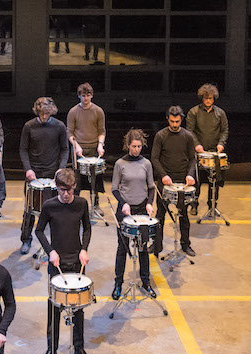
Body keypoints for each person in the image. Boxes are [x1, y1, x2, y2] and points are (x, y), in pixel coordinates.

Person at [35, 168, 92, 354]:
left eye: (69, 190)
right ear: (56, 187)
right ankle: (51, 351)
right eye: (62, 190)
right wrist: (50, 251)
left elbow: (87, 227)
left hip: (76, 263)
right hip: (56, 263)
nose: (66, 194)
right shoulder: (49, 206)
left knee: (78, 309)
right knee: (54, 308)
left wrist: (84, 249)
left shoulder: (81, 203)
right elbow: (39, 230)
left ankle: (79, 350)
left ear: (75, 186)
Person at [18, 97, 69, 255]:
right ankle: (26, 240)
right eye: (41, 113)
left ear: (51, 111)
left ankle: (56, 243)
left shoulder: (59, 126)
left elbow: (65, 149)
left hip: (53, 174)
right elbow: (23, 149)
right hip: (34, 174)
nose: (44, 116)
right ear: (37, 111)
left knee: (56, 210)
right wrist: (28, 169)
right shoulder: (29, 126)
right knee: (29, 210)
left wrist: (61, 168)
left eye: (47, 113)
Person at [111, 128, 156, 301]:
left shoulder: (146, 163)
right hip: (125, 210)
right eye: (134, 146)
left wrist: (150, 203)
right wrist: (123, 203)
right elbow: (114, 189)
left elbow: (151, 187)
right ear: (128, 145)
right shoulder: (120, 164)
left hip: (141, 209)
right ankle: (118, 284)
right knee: (122, 249)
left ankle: (146, 282)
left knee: (143, 247)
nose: (137, 150)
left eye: (139, 146)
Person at [150, 106, 197, 258]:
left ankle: (185, 244)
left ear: (181, 119)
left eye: (177, 121)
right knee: (160, 215)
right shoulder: (160, 135)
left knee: (184, 215)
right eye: (172, 121)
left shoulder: (188, 136)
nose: (175, 124)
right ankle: (157, 245)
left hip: (182, 181)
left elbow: (192, 159)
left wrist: (190, 175)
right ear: (167, 119)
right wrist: (163, 175)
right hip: (165, 181)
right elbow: (154, 158)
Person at [185, 83, 229, 215]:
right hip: (198, 152)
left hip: (214, 152)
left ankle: (212, 206)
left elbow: (225, 130)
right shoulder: (193, 112)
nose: (208, 100)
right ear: (202, 98)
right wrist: (197, 144)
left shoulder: (220, 113)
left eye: (210, 98)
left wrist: (221, 143)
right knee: (196, 181)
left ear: (214, 98)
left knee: (214, 182)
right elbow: (189, 130)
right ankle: (194, 205)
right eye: (206, 98)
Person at [66, 82, 106, 216]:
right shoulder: (73, 112)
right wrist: (76, 146)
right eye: (83, 95)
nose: (86, 98)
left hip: (93, 148)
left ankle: (95, 205)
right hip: (79, 149)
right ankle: (76, 205)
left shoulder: (98, 111)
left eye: (88, 95)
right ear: (79, 96)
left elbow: (102, 131)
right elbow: (69, 132)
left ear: (92, 95)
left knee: (96, 179)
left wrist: (100, 145)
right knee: (77, 179)